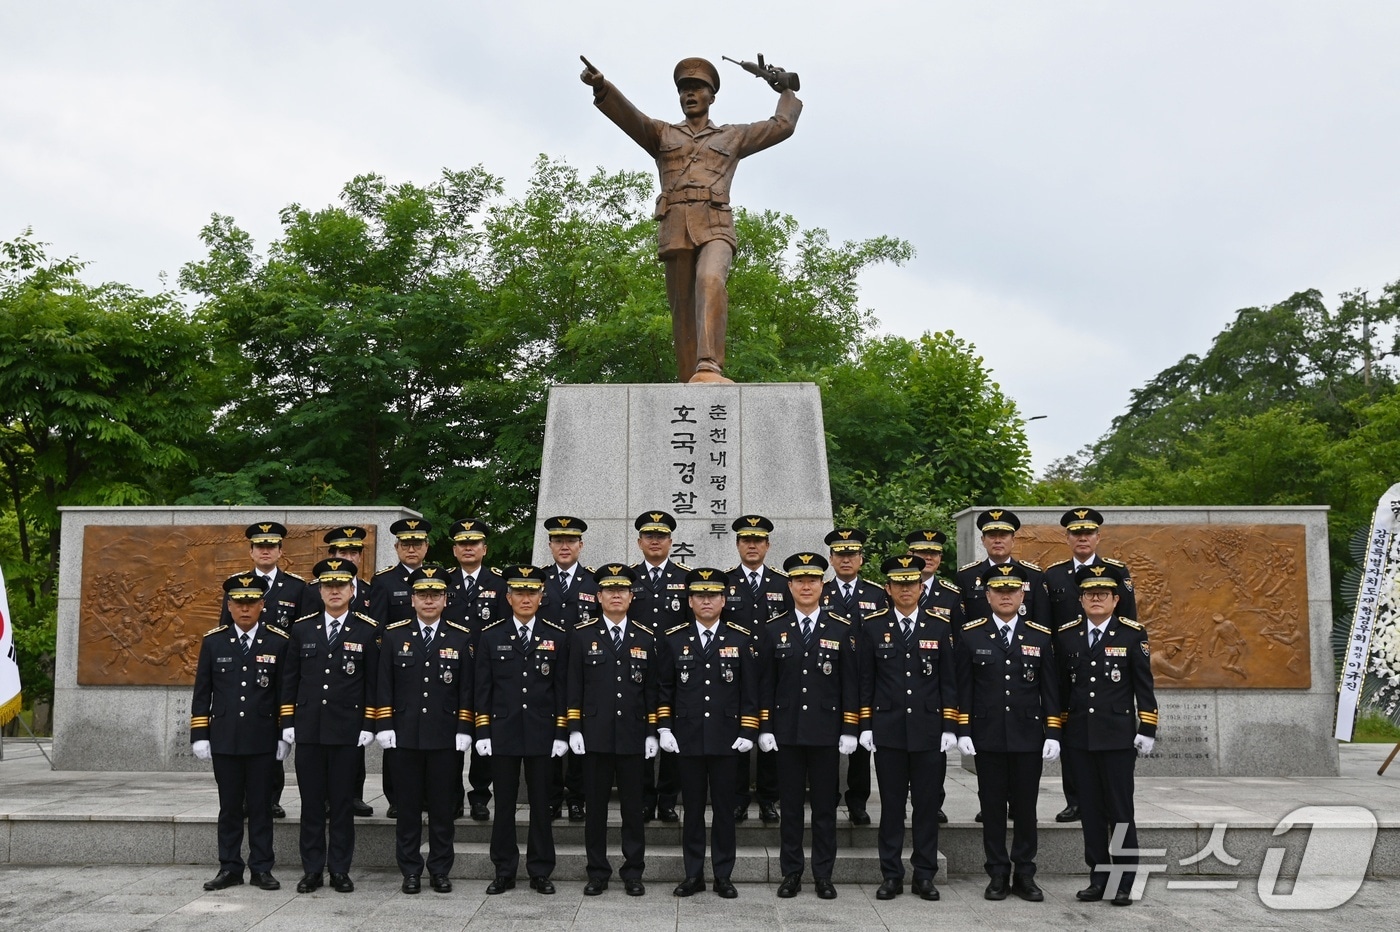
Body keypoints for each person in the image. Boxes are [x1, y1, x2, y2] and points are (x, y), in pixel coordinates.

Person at [580, 55, 801, 383]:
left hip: (716, 224)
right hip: (676, 226)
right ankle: (691, 380)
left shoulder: (732, 136)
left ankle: (709, 366)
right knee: (682, 309)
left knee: (710, 280)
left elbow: (782, 125)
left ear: (712, 97)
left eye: (697, 89)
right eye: (684, 90)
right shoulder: (662, 134)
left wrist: (785, 90)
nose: (690, 94)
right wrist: (602, 87)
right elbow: (631, 118)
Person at [954, 563, 1062, 903]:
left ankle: (1025, 873)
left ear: (1022, 595)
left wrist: (1053, 732)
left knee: (1026, 809)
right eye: (998, 591)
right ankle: (998, 873)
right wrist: (963, 729)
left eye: (1012, 590)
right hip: (987, 736)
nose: (1005, 596)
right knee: (992, 807)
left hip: (1028, 736)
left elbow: (1050, 689)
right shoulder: (971, 635)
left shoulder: (1040, 636)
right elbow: (964, 687)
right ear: (987, 595)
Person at [758, 552, 858, 900]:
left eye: (812, 581)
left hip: (826, 732)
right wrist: (765, 726)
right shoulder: (774, 629)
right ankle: (791, 872)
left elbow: (850, 684)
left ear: (822, 586)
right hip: (786, 732)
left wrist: (850, 728)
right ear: (789, 586)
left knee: (825, 809)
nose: (805, 586)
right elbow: (766, 684)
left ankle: (823, 874)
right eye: (799, 581)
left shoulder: (841, 628)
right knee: (790, 808)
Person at [858, 555, 957, 901]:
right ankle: (891, 875)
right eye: (898, 584)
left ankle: (924, 875)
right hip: (889, 730)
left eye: (911, 584)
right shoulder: (872, 626)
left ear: (920, 588)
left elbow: (949, 682)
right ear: (887, 588)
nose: (905, 590)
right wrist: (866, 725)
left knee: (926, 807)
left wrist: (949, 725)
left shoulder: (939, 626)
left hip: (929, 731)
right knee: (892, 807)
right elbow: (866, 681)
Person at [1059, 564, 1159, 906]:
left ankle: (1123, 881)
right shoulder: (1068, 635)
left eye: (1103, 594)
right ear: (1081, 599)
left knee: (1120, 811)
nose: (1096, 599)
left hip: (1117, 739)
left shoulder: (1131, 634)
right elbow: (1063, 688)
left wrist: (1147, 727)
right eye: (1090, 594)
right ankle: (1099, 878)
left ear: (1116, 600)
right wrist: (1058, 731)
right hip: (1080, 738)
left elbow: (1144, 685)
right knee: (1090, 812)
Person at [280, 558, 380, 894]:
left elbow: (372, 683)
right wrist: (288, 721)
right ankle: (312, 870)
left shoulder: (367, 630)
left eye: (341, 586)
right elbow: (290, 680)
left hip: (347, 731)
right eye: (328, 586)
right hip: (309, 730)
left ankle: (339, 869)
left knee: (341, 805)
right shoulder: (302, 629)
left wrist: (369, 723)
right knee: (311, 805)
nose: (334, 591)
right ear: (320, 591)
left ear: (352, 590)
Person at [658, 567, 758, 898]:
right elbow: (665, 689)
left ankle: (723, 875)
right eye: (699, 595)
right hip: (687, 738)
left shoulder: (740, 639)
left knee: (725, 812)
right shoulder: (674, 639)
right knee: (693, 811)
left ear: (723, 600)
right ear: (689, 601)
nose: (706, 601)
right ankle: (693, 874)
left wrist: (748, 729)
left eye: (713, 595)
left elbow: (750, 692)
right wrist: (664, 727)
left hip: (727, 738)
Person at [374, 566, 473, 895]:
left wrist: (464, 727)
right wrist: (384, 724)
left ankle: (440, 870)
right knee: (408, 809)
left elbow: (467, 689)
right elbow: (384, 685)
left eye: (435, 595)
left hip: (445, 737)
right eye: (423, 595)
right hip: (404, 736)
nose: (429, 600)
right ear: (412, 599)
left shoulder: (461, 637)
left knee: (443, 809)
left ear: (445, 600)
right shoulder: (394, 635)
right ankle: (411, 870)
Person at [191, 573, 290, 892]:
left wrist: (283, 733)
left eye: (251, 603)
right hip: (225, 738)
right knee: (230, 807)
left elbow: (283, 692)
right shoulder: (214, 641)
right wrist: (200, 734)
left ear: (262, 605)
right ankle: (230, 867)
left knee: (261, 807)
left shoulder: (278, 641)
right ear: (229, 606)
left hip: (262, 739)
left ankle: (261, 868)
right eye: (239, 603)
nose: (245, 609)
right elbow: (202, 691)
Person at [474, 564, 570, 896]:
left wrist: (561, 733)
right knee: (504, 804)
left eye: (532, 592)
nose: (525, 598)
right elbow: (483, 690)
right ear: (508, 597)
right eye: (519, 592)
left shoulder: (557, 636)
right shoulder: (491, 636)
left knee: (542, 805)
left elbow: (562, 690)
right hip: (503, 732)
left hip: (543, 733)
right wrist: (482, 732)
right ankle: (504, 870)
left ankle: (540, 870)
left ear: (542, 597)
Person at [566, 563, 660, 896]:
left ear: (631, 596)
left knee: (633, 810)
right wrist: (574, 728)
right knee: (596, 810)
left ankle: (633, 871)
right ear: (598, 596)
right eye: (609, 590)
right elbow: (573, 685)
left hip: (633, 735)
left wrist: (653, 731)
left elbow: (651, 690)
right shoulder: (582, 635)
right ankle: (597, 872)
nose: (616, 595)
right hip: (595, 735)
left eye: (622, 590)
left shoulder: (645, 637)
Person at [1043, 508, 1136, 823]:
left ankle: (1112, 811)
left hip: (1109, 669)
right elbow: (1045, 625)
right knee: (1072, 737)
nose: (1082, 538)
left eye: (1088, 533)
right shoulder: (1053, 575)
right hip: (1068, 668)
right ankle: (1077, 801)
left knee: (1109, 741)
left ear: (1098, 537)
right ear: (1067, 538)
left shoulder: (1116, 571)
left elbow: (1129, 622)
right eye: (1076, 533)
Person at [298, 525, 384, 817]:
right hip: (320, 686)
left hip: (353, 687)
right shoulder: (312, 591)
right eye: (342, 552)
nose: (349, 556)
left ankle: (353, 795)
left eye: (354, 551)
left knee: (350, 752)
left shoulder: (371, 590)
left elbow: (377, 633)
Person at [220, 521, 305, 821]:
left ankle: (271, 798)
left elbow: (302, 631)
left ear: (281, 551)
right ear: (251, 551)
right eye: (260, 546)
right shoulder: (236, 585)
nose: (265, 551)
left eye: (271, 546)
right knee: (242, 733)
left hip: (281, 670)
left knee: (273, 733)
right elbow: (224, 630)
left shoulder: (297, 587)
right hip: (243, 669)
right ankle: (243, 798)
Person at [725, 514, 788, 824]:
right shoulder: (724, 582)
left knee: (770, 732)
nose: (752, 546)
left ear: (768, 545)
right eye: (746, 541)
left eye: (758, 541)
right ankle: (738, 799)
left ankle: (768, 799)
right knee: (738, 733)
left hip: (773, 667)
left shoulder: (783, 583)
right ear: (737, 545)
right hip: (734, 669)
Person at [443, 518, 509, 822]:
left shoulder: (499, 583)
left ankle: (480, 796)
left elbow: (504, 627)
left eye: (474, 543)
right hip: (449, 667)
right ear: (454, 550)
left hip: (487, 669)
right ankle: (452, 795)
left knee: (485, 729)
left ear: (485, 548)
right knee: (451, 734)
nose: (468, 548)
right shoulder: (442, 582)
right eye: (462, 544)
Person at [820, 528, 885, 826]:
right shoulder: (821, 591)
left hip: (863, 675)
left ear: (861, 558)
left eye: (851, 555)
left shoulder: (876, 593)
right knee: (828, 739)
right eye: (840, 555)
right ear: (831, 559)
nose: (846, 560)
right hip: (828, 676)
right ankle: (828, 796)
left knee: (861, 739)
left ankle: (857, 800)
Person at [629, 510, 688, 822]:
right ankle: (642, 798)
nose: (655, 541)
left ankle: (667, 799)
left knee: (672, 733)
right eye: (649, 536)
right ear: (639, 542)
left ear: (670, 541)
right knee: (640, 731)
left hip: (675, 669)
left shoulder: (686, 578)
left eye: (661, 536)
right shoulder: (626, 578)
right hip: (636, 667)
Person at [373, 517, 433, 819]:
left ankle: (428, 796)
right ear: (396, 547)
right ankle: (396, 797)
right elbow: (378, 631)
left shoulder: (437, 579)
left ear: (426, 547)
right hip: (399, 669)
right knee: (395, 739)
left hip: (432, 667)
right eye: (406, 544)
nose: (412, 549)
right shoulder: (384, 581)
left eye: (417, 544)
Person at [539, 515, 597, 822]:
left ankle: (577, 797)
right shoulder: (538, 580)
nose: (565, 546)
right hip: (544, 666)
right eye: (558, 541)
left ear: (580, 545)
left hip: (584, 668)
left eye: (570, 541)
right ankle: (551, 797)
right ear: (550, 545)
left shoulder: (594, 581)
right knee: (550, 729)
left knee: (579, 730)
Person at [955, 510, 1050, 625]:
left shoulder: (1034, 576)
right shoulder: (966, 576)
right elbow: (960, 623)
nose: (997, 541)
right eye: (992, 536)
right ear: (983, 541)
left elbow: (1042, 622)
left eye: (1003, 536)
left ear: (1013, 540)